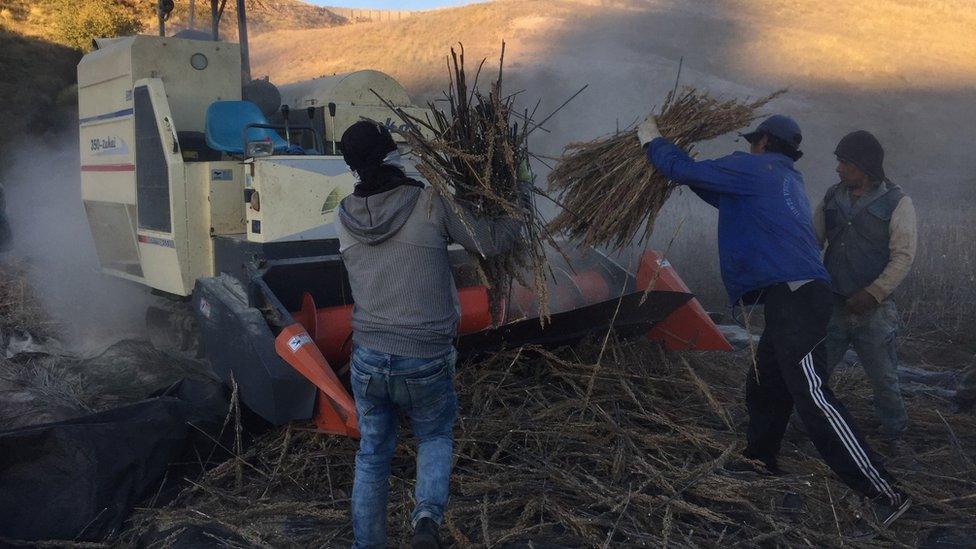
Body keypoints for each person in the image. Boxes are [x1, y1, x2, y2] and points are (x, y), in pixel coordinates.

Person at [638, 114, 910, 528]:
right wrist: (690, 170)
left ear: (763, 140)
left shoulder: (755, 167)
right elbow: (715, 190)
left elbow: (682, 170)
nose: (749, 147)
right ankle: (760, 459)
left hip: (799, 297)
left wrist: (653, 142)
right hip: (793, 295)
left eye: (752, 141)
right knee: (766, 380)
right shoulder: (785, 179)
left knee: (813, 396)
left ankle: (884, 492)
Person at [335, 120, 525, 549]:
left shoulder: (342, 217)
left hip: (367, 359)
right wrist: (518, 201)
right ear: (391, 154)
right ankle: (425, 523)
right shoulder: (429, 204)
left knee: (372, 456)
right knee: (434, 436)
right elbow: (491, 242)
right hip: (424, 357)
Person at [812, 130, 916, 447]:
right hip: (833, 305)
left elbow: (903, 256)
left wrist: (874, 293)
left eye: (845, 162)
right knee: (817, 374)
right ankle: (808, 426)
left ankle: (896, 435)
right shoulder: (832, 197)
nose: (839, 168)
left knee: (884, 378)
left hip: (875, 312)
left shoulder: (898, 202)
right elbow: (812, 241)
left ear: (865, 166)